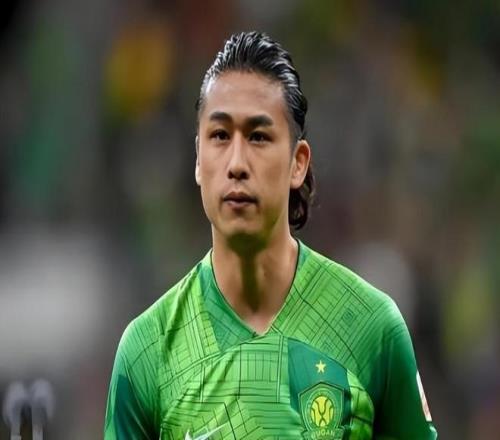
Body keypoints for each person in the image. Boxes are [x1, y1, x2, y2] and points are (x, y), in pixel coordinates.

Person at [104, 31, 438, 439]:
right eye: (220, 136)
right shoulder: (147, 351)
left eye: (258, 137)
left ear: (298, 163)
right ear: (198, 160)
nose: (237, 163)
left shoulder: (373, 328)